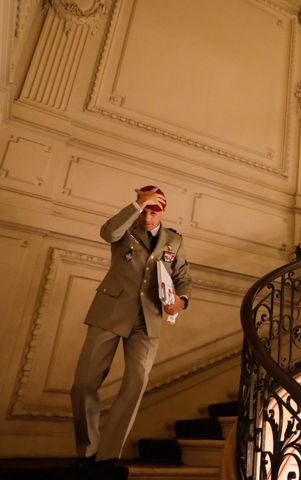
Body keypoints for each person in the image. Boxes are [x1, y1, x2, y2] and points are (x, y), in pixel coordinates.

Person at [70, 185, 192, 478]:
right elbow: (107, 233)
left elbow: (183, 277)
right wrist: (136, 205)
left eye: (154, 211)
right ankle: (87, 449)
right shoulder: (125, 227)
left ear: (163, 211)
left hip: (146, 320)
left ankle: (107, 455)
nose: (148, 217)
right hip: (110, 313)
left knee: (136, 383)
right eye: (145, 210)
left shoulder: (173, 240)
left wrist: (180, 301)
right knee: (85, 382)